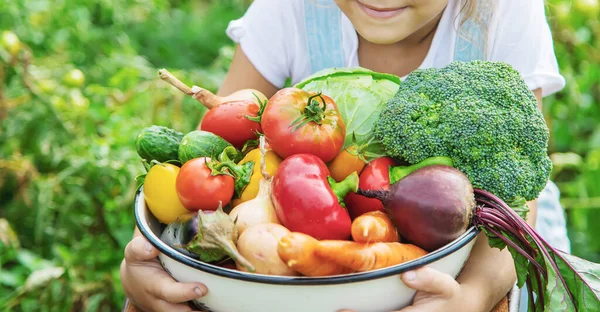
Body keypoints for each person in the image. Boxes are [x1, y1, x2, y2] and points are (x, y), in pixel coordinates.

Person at [120, 0, 571, 311]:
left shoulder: (502, 12)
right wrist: (158, 260)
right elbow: (217, 150)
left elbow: (516, 200)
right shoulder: (292, 9)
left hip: (489, 251)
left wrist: (471, 296)